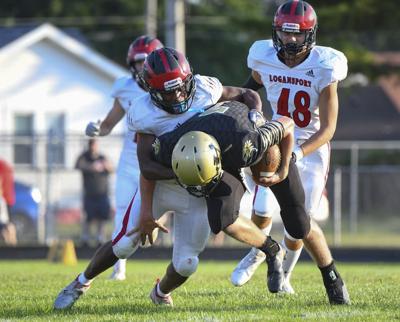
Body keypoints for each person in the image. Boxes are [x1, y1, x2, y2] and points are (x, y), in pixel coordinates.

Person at [53, 47, 282, 310]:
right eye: (168, 91)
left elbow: (248, 93)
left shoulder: (205, 89)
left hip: (197, 189)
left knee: (187, 263)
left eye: (181, 88)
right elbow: (148, 167)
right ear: (151, 91)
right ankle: (80, 282)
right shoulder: (144, 112)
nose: (177, 96)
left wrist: (255, 113)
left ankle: (160, 293)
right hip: (164, 184)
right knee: (125, 244)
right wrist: (148, 213)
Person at [230, 0, 350, 305]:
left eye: (298, 34)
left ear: (311, 34)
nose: (291, 39)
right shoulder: (264, 58)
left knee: (301, 224)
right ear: (276, 31)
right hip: (277, 142)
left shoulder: (325, 66)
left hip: (311, 148)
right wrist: (231, 113)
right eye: (286, 33)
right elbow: (248, 91)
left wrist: (297, 153)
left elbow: (328, 130)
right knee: (262, 208)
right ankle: (259, 253)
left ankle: (283, 274)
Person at [85, 35, 164, 281]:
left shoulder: (169, 85)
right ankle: (119, 267)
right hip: (131, 160)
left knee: (155, 222)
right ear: (132, 64)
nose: (143, 67)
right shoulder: (125, 87)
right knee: (121, 210)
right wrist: (98, 128)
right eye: (139, 62)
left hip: (159, 162)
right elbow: (109, 123)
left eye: (148, 61)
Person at [75, 139, 113, 246]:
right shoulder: (84, 157)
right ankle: (85, 238)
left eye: (95, 145)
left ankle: (100, 238)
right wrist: (91, 167)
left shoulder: (102, 157)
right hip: (89, 193)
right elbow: (78, 165)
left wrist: (105, 166)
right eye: (92, 145)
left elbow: (111, 169)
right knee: (88, 217)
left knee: (102, 217)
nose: (94, 147)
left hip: (102, 193)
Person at [0, 159, 17, 246]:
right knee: (8, 224)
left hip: (3, 199)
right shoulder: (5, 165)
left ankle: (11, 246)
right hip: (8, 199)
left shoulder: (2, 166)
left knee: (6, 225)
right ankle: (11, 244)